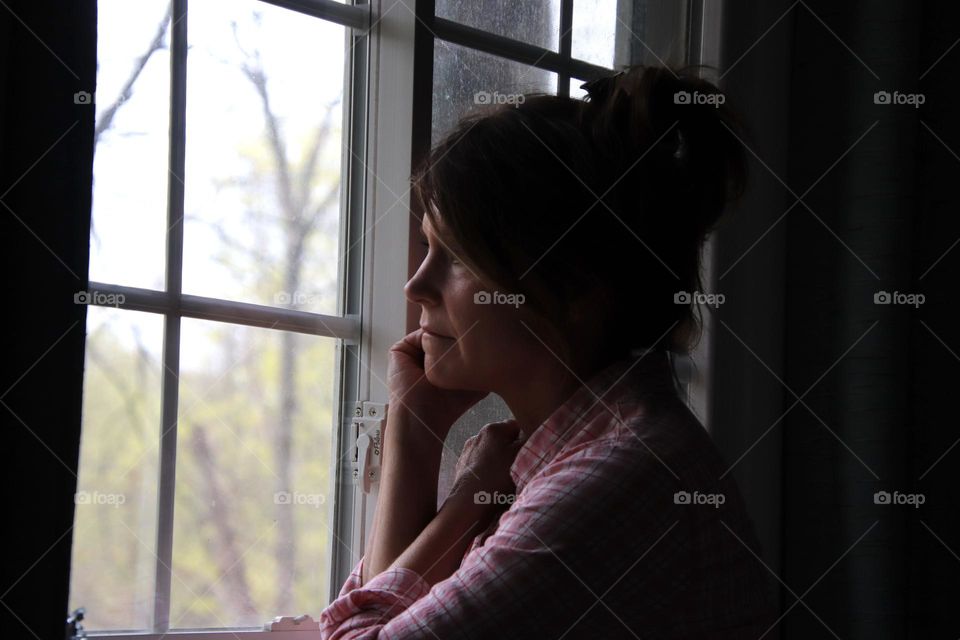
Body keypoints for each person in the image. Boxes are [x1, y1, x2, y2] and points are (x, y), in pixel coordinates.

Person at [319, 64, 778, 639]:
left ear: (577, 286)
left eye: (456, 255)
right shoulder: (593, 458)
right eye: (425, 247)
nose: (416, 286)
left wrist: (448, 487)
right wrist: (415, 430)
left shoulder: (618, 483)